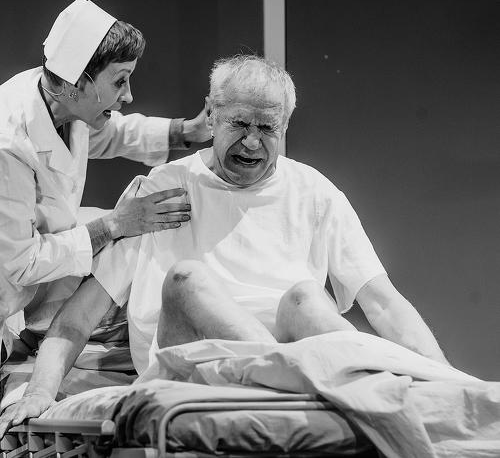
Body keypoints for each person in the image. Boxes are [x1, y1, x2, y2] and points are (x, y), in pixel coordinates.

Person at [0, 55, 449, 435]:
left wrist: (447, 379)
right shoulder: (164, 190)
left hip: (297, 360)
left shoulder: (314, 191)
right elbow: (81, 315)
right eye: (239, 123)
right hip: (190, 368)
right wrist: (39, 391)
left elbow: (383, 302)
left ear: (285, 126)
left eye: (267, 128)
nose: (252, 141)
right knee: (187, 279)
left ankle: (371, 387)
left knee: (306, 298)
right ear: (211, 116)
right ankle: (298, 383)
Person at [0, 0, 210, 367]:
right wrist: (113, 225)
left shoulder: (60, 99)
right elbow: (21, 263)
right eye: (119, 81)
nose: (128, 95)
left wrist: (185, 131)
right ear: (78, 83)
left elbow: (111, 133)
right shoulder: (9, 143)